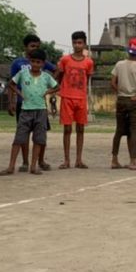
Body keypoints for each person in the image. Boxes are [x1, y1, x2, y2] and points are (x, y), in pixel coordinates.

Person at [1, 49, 58, 176]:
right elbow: (11, 83)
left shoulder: (46, 76)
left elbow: (57, 86)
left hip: (41, 111)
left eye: (38, 62)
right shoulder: (23, 73)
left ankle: (33, 166)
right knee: (19, 139)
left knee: (38, 139)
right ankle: (11, 166)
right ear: (29, 61)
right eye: (33, 61)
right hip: (25, 110)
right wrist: (19, 93)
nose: (35, 64)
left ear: (43, 63)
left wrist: (48, 92)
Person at [57, 31, 95, 169]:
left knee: (80, 129)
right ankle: (66, 160)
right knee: (67, 129)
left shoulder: (89, 62)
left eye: (80, 43)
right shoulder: (65, 60)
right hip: (67, 97)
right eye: (74, 42)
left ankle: (79, 159)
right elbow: (60, 76)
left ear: (84, 44)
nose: (77, 45)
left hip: (81, 98)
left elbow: (88, 79)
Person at [110, 39, 136, 170]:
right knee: (134, 131)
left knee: (119, 130)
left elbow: (113, 82)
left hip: (121, 99)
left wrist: (120, 92)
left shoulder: (119, 64)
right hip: (133, 100)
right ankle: (132, 161)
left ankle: (114, 159)